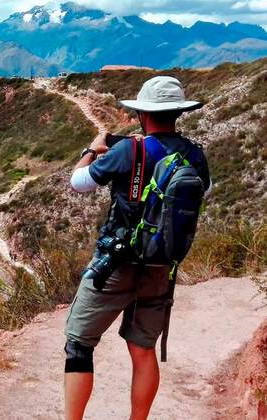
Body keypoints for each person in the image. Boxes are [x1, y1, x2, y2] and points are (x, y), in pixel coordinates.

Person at [64, 76, 211, 420]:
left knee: (79, 346)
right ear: (177, 113)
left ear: (143, 113)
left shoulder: (130, 149)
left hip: (116, 265)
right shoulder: (194, 155)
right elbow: (203, 191)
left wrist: (91, 151)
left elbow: (79, 184)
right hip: (161, 268)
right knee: (143, 349)